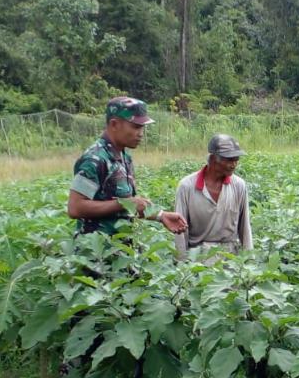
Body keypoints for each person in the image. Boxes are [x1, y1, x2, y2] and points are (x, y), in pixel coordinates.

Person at [67, 96, 188, 236]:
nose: (141, 134)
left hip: (120, 251)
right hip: (95, 252)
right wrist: (124, 203)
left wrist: (161, 216)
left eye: (142, 127)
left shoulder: (124, 157)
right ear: (114, 124)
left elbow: (130, 206)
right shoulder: (94, 159)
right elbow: (75, 208)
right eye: (136, 127)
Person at [173, 133, 253, 261]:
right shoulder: (186, 187)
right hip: (198, 259)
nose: (233, 164)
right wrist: (181, 263)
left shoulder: (239, 186)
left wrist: (249, 260)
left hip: (230, 259)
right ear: (212, 159)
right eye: (228, 159)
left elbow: (245, 227)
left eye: (236, 159)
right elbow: (180, 232)